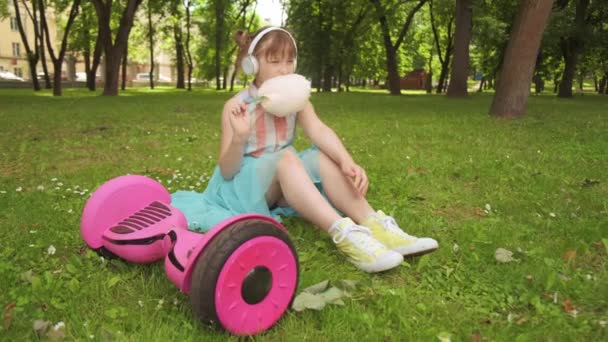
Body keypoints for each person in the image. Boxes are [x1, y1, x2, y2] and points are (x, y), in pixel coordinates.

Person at [171, 26, 438, 273]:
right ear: (253, 65)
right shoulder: (237, 106)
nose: (284, 70)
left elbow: (319, 130)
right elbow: (228, 171)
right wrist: (239, 137)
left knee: (320, 156)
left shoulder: (296, 100)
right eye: (274, 62)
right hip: (242, 190)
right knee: (286, 156)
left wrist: (346, 161)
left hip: (281, 181)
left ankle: (373, 224)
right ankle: (345, 235)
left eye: (289, 61)